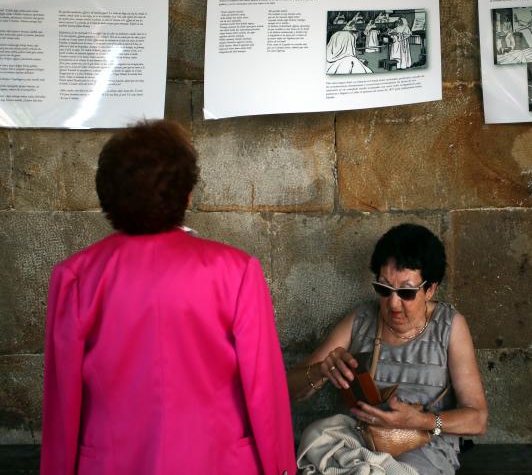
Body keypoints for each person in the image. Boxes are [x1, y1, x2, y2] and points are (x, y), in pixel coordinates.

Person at [40, 121, 296, 475]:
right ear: (187, 194)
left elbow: (61, 406)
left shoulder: (76, 277)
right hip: (218, 462)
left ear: (107, 195)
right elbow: (265, 392)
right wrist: (280, 468)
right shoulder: (236, 272)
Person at [290, 224, 488, 475]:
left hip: (419, 448)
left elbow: (478, 420)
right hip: (360, 439)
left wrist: (421, 421)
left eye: (406, 292)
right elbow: (289, 390)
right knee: (316, 435)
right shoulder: (361, 319)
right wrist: (321, 370)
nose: (393, 303)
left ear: (430, 289)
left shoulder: (450, 326)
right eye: (384, 289)